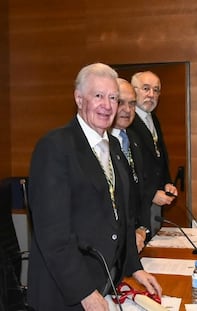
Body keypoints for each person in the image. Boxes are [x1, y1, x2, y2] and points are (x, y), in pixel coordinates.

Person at [27, 63, 162, 311]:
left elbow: (124, 219)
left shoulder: (114, 148)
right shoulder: (55, 147)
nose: (107, 105)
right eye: (98, 96)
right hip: (65, 294)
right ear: (79, 99)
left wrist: (135, 267)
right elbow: (53, 233)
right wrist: (85, 292)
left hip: (104, 285)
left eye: (113, 98)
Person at [129, 71, 177, 239]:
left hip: (156, 201)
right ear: (133, 91)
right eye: (146, 88)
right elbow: (130, 168)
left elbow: (159, 157)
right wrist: (151, 193)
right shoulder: (126, 120)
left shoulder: (152, 118)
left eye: (156, 90)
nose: (151, 94)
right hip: (139, 201)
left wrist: (167, 183)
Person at [111, 78, 147, 253]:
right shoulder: (100, 145)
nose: (127, 109)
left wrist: (142, 227)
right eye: (120, 103)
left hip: (136, 237)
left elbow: (139, 190)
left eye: (132, 104)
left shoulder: (134, 139)